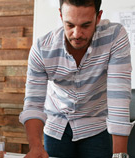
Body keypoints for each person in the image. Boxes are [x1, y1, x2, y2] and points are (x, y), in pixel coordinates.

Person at [19, 0, 134, 158]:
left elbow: (119, 96)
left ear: (98, 17)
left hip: (96, 125)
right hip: (56, 127)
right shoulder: (42, 48)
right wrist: (35, 147)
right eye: (70, 25)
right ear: (61, 15)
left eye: (86, 25)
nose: (77, 34)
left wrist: (120, 155)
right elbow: (33, 104)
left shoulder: (115, 37)